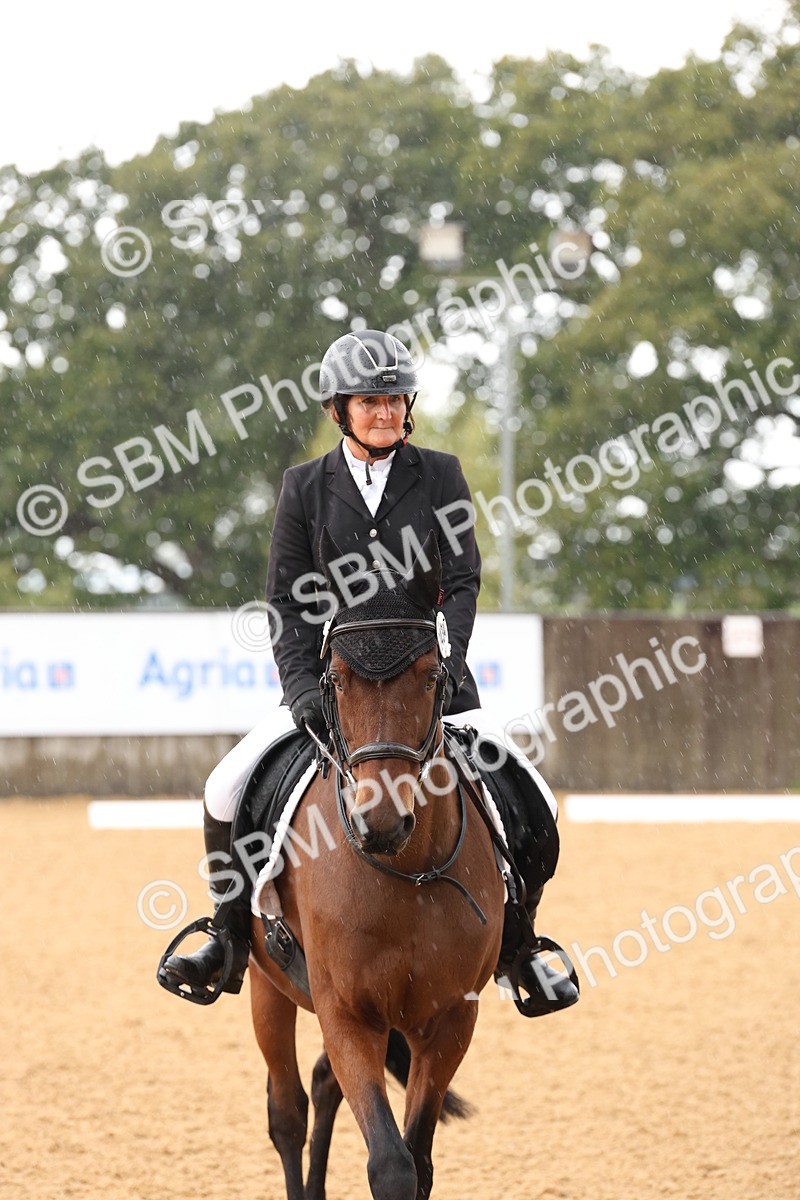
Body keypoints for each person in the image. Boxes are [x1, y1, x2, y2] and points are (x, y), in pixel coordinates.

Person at [163, 329, 578, 1016]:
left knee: (532, 798)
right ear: (339, 409)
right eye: (369, 401)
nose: (385, 412)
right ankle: (228, 937)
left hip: (428, 682)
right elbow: (286, 600)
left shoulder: (439, 474)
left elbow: (464, 580)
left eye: (394, 399)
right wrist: (300, 688)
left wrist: (448, 663)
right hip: (339, 687)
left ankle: (521, 942)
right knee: (225, 788)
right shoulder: (305, 487)